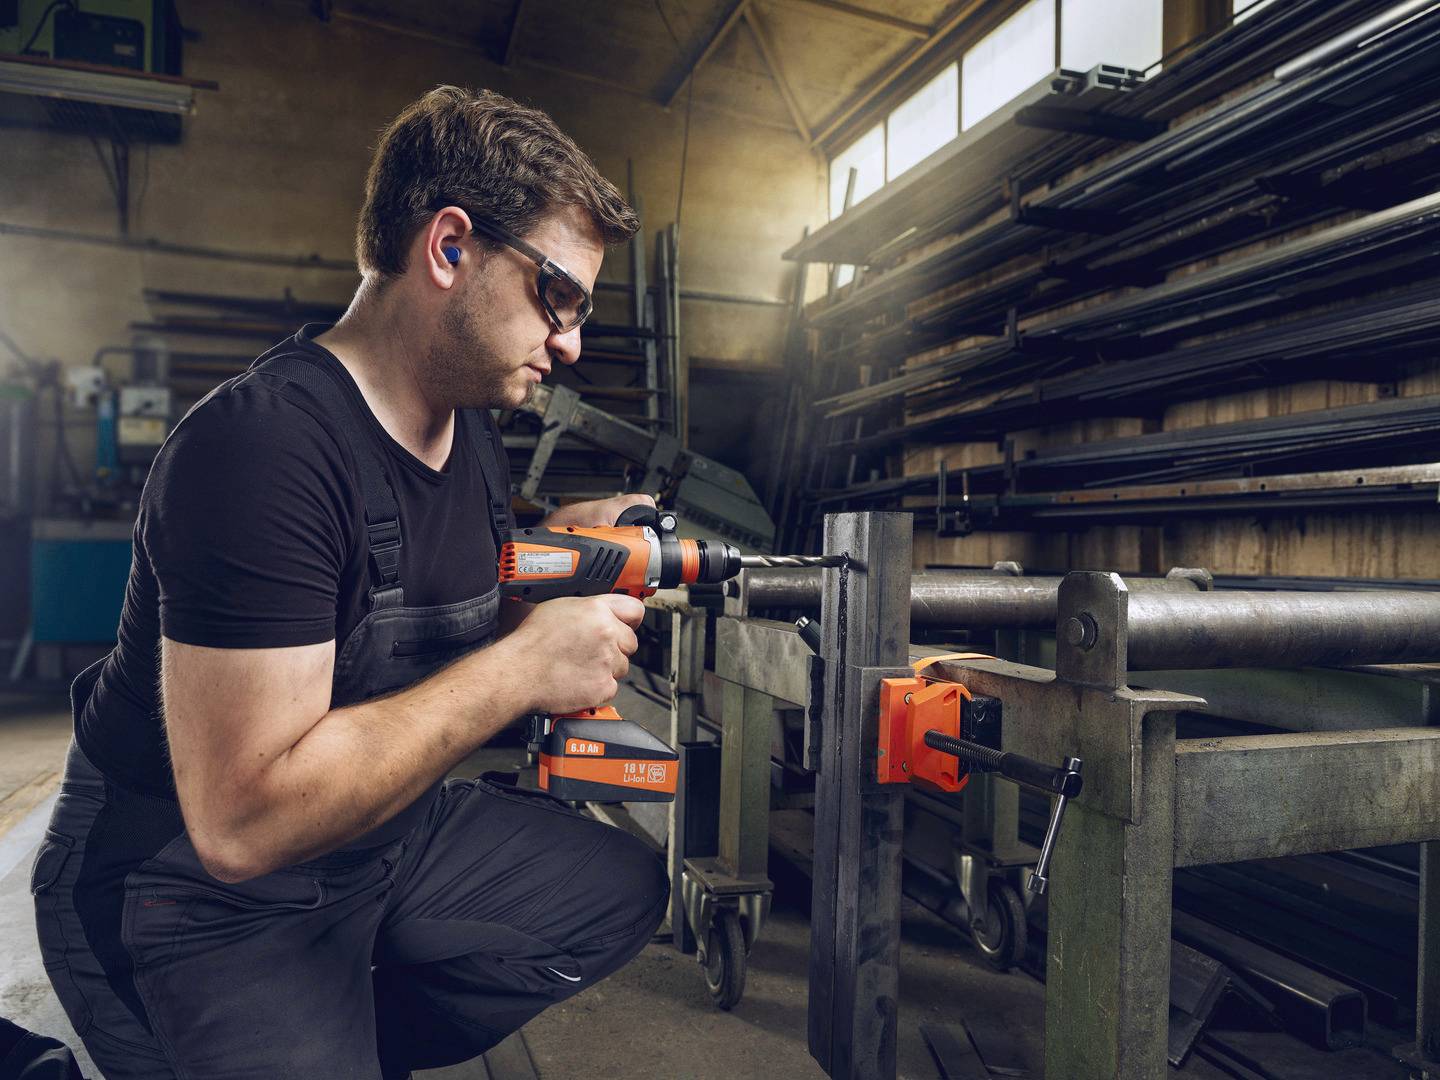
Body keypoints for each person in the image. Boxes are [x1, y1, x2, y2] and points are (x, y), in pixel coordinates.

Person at [31, 86, 669, 1079]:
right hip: (186, 891)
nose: (573, 341)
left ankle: (329, 1035)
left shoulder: (473, 437)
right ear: (450, 249)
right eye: (561, 294)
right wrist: (521, 670)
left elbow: (448, 604)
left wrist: (560, 566)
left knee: (616, 887)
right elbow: (241, 825)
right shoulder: (262, 451)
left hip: (361, 839)